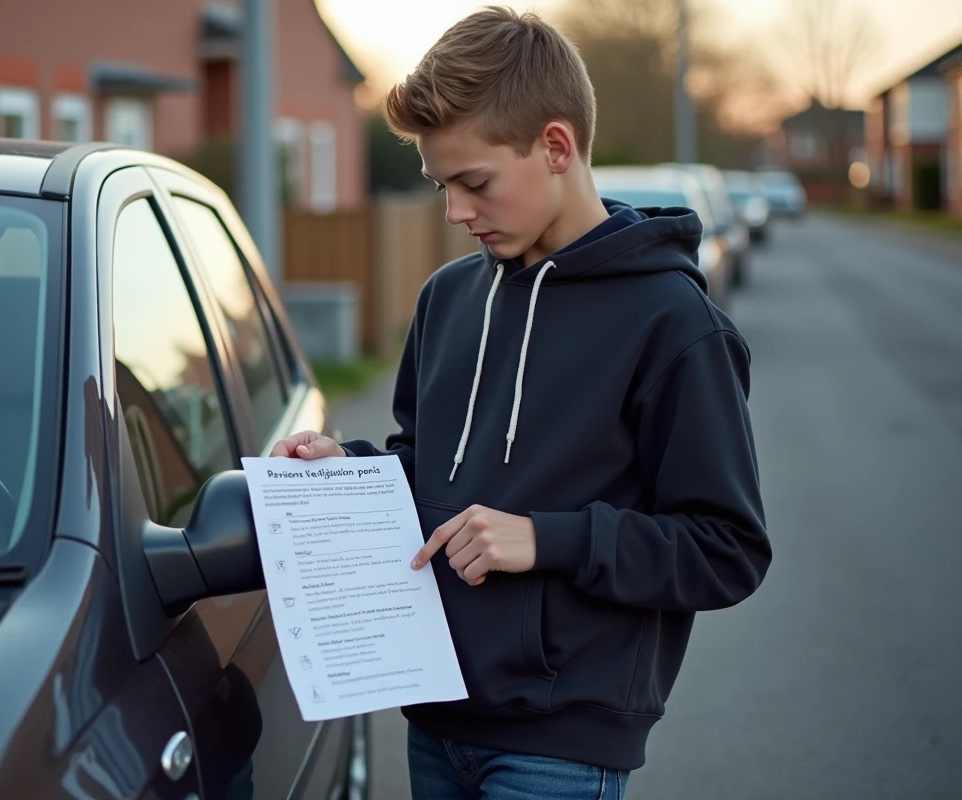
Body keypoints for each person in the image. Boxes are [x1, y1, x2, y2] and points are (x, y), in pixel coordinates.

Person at [269, 6, 771, 798]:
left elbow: (725, 549)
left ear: (557, 146)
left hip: (561, 742)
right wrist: (349, 473)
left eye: (475, 183)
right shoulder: (446, 299)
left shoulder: (674, 327)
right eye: (441, 186)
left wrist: (548, 541)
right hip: (435, 722)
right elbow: (427, 468)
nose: (455, 212)